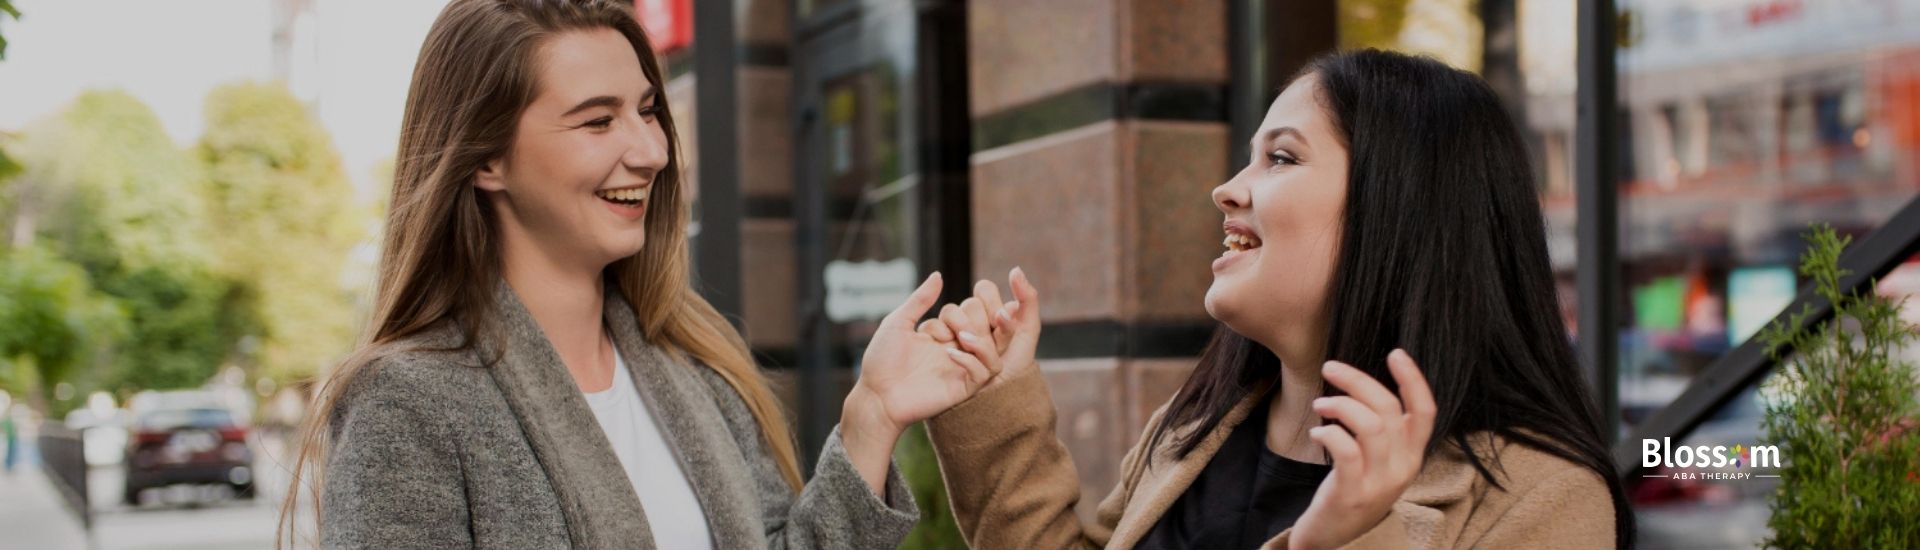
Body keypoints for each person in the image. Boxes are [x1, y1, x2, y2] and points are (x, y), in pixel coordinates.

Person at [275, 1, 994, 547]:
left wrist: (873, 415)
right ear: (486, 159)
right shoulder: (407, 403)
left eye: (648, 112)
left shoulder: (697, 366)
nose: (649, 149)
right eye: (598, 122)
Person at [921, 49, 1633, 549]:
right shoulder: (1197, 426)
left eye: (1282, 158)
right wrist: (997, 407)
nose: (1226, 189)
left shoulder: (1544, 495)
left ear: (1399, 210)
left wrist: (1346, 542)